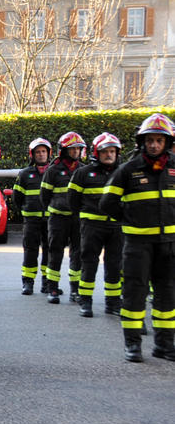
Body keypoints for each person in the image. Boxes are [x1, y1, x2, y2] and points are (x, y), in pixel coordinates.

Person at [101, 113, 175, 362]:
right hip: (137, 244)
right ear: (142, 142)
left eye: (159, 140)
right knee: (135, 293)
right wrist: (130, 218)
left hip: (169, 245)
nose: (154, 145)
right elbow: (107, 202)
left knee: (167, 294)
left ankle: (164, 345)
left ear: (167, 142)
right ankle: (132, 345)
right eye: (150, 140)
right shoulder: (128, 169)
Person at [69, 132, 124, 318]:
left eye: (112, 151)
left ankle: (113, 302)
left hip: (116, 227)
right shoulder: (83, 173)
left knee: (115, 264)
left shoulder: (122, 173)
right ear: (96, 153)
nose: (109, 155)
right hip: (92, 226)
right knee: (89, 263)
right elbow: (73, 200)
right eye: (105, 151)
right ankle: (85, 301)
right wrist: (85, 218)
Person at [41, 132, 87, 304]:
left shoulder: (83, 170)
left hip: (77, 219)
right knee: (55, 253)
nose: (75, 152)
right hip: (58, 219)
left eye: (78, 149)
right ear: (64, 150)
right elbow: (44, 196)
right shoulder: (53, 170)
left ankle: (75, 289)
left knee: (78, 254)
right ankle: (52, 288)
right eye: (72, 149)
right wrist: (55, 209)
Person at [13, 138, 53, 295]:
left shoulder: (53, 173)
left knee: (49, 251)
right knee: (30, 251)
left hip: (50, 220)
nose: (41, 154)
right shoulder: (25, 174)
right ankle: (28, 282)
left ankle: (47, 282)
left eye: (43, 151)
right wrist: (26, 210)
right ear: (32, 154)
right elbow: (17, 197)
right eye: (38, 152)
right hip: (31, 221)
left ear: (48, 153)